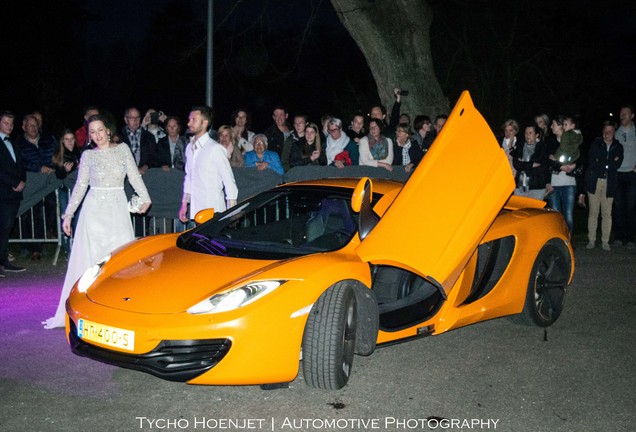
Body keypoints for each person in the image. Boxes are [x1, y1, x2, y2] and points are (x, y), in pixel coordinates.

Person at [42, 115, 152, 329]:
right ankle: (89, 308)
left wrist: (145, 198)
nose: (97, 135)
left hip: (118, 210)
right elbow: (81, 187)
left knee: (121, 261)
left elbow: (134, 177)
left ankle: (120, 308)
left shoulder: (122, 150)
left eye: (100, 130)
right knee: (92, 263)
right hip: (93, 213)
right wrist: (69, 214)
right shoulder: (88, 156)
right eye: (92, 132)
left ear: (108, 130)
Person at [179, 106, 238, 225]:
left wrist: (231, 212)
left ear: (205, 123)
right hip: (196, 211)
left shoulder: (215, 148)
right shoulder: (190, 148)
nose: (189, 123)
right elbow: (189, 178)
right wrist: (184, 205)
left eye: (194, 120)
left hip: (214, 212)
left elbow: (229, 180)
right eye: (189, 119)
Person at [17, 114, 57, 260]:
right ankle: (30, 246)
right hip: (31, 182)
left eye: (35, 125)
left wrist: (53, 167)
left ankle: (40, 243)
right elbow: (19, 163)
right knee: (29, 213)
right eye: (30, 125)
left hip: (48, 182)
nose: (34, 128)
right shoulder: (19, 143)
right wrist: (38, 168)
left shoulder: (48, 140)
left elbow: (57, 156)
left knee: (48, 208)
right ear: (23, 127)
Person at [585, 121, 623, 250]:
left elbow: (616, 164)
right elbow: (592, 161)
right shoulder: (596, 144)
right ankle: (591, 239)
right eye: (606, 131)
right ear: (602, 131)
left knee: (607, 213)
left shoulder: (618, 147)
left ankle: (605, 241)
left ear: (614, 132)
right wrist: (608, 163)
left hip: (610, 182)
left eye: (610, 131)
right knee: (593, 212)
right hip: (594, 181)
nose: (608, 134)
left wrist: (604, 163)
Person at [0, 111, 26, 278]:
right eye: (5, 123)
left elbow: (20, 164)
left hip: (13, 195)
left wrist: (22, 180)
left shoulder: (14, 143)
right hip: (2, 191)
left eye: (11, 123)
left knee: (6, 228)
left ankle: (3, 261)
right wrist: (13, 182)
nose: (9, 126)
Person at [547, 115, 582, 233]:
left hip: (569, 183)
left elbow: (583, 157)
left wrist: (574, 165)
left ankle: (568, 242)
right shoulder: (550, 142)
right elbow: (547, 160)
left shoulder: (574, 140)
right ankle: (557, 241)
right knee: (555, 215)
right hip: (554, 183)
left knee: (568, 215)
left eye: (553, 124)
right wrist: (560, 166)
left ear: (561, 126)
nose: (551, 126)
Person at [52, 129, 81, 253]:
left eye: (72, 139)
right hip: (64, 192)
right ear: (62, 141)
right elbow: (58, 175)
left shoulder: (79, 153)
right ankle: (67, 248)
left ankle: (78, 247)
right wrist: (65, 172)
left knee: (78, 219)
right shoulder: (58, 155)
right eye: (67, 139)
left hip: (78, 192)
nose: (70, 142)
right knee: (65, 217)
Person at [612, 104, 636, 249]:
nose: (623, 116)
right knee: (618, 206)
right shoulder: (616, 132)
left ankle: (631, 238)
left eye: (626, 113)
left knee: (631, 206)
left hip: (632, 174)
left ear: (632, 116)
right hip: (618, 173)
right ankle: (619, 237)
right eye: (621, 113)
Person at [511, 125, 548, 200]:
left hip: (536, 188)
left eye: (530, 133)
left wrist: (523, 166)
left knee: (533, 211)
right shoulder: (520, 146)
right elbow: (516, 164)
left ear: (536, 135)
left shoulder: (542, 148)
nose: (527, 135)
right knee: (520, 211)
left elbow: (542, 167)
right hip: (520, 187)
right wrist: (531, 164)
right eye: (526, 133)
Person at [121, 107, 158, 174]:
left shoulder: (149, 137)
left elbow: (154, 157)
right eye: (132, 118)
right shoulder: (118, 137)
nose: (135, 120)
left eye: (137, 117)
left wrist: (144, 167)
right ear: (126, 119)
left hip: (145, 176)